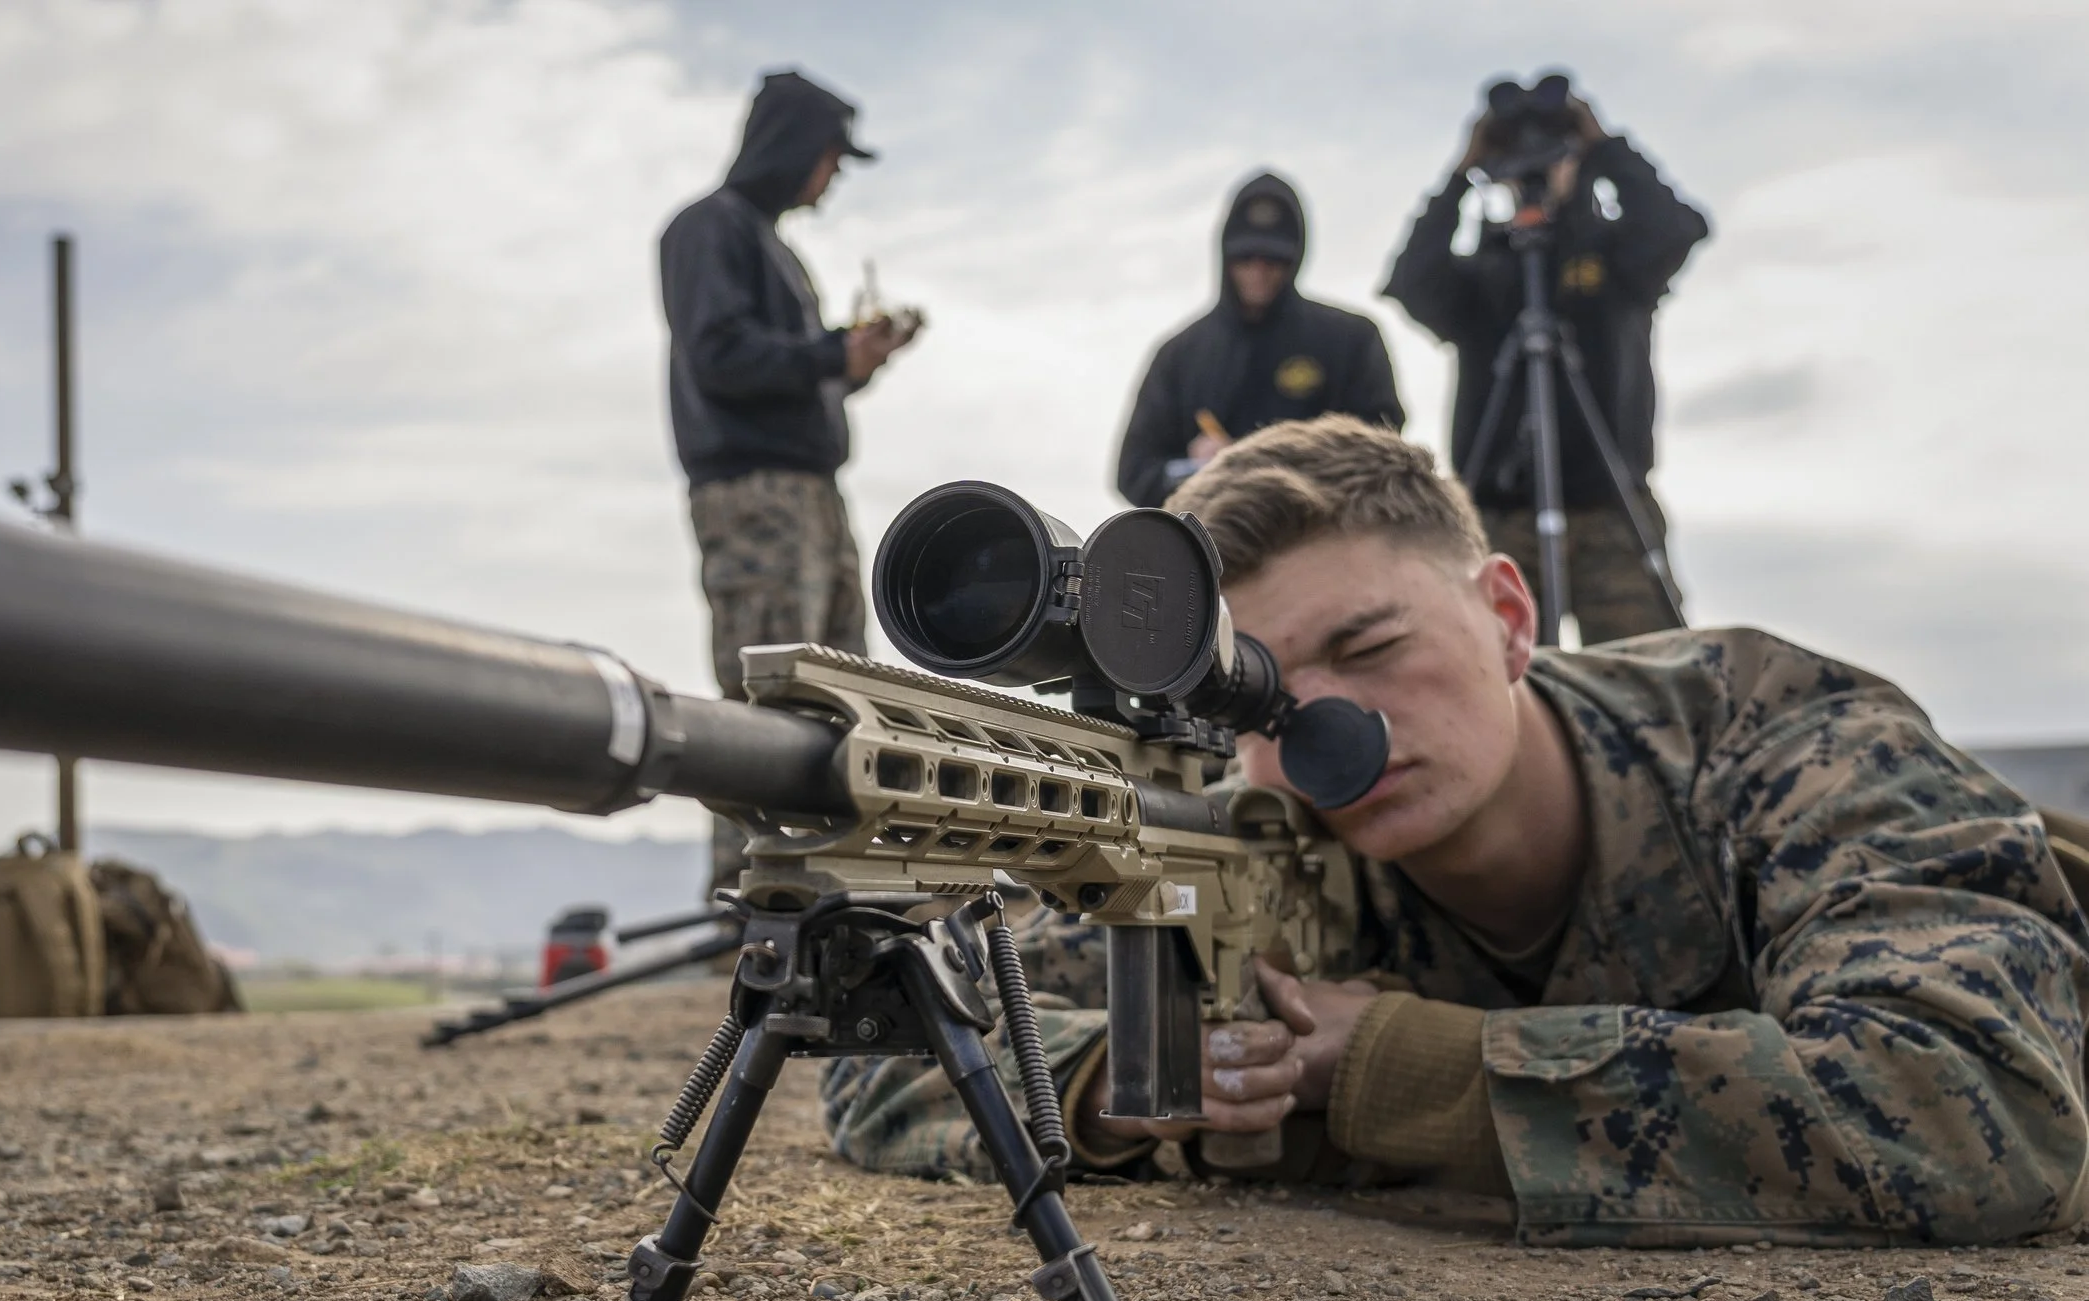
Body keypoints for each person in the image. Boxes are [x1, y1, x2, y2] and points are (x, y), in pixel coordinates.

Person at [824, 415, 2089, 1247]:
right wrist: (1131, 1080)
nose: (1325, 729)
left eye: (1370, 647)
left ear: (1506, 615)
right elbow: (883, 1050)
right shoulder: (1245, 821)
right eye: (1253, 691)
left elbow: (1970, 1106)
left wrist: (1396, 1072)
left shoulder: (1787, 734)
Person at [660, 69, 918, 896]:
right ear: (798, 148)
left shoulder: (769, 245)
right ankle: (742, 898)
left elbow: (782, 369)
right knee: (764, 694)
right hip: (757, 494)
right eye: (832, 158)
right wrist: (829, 355)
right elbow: (722, 357)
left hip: (809, 493)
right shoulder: (709, 231)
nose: (834, 176)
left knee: (838, 693)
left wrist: (852, 364)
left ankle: (825, 885)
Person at [1384, 78, 1708, 644]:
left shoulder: (1614, 260)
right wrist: (1463, 172)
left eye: (1549, 147)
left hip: (1609, 508)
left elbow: (1677, 229)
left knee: (1647, 673)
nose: (1533, 166)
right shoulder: (1484, 274)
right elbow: (1411, 280)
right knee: (1489, 675)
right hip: (1500, 514)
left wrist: (1601, 144)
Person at [1116, 173, 1404, 509]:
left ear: (1294, 258)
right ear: (1226, 257)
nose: (1258, 271)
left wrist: (1257, 464)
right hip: (1214, 548)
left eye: (1273, 260)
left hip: (1320, 540)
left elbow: (1385, 454)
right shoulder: (1180, 354)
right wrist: (1192, 470)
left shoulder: (1352, 340)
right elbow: (1132, 472)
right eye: (1246, 258)